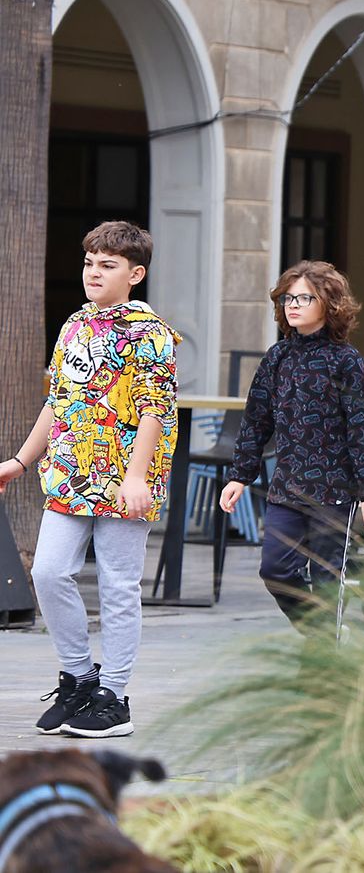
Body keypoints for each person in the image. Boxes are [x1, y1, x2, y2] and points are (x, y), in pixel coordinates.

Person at [0, 221, 179, 738]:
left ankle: (115, 697)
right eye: (89, 263)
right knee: (50, 573)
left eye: (108, 265)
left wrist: (138, 477)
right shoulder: (75, 326)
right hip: (71, 475)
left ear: (135, 273)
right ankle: (79, 678)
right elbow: (58, 403)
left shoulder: (151, 334)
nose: (93, 273)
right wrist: (20, 460)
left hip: (127, 479)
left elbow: (153, 411)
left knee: (119, 587)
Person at [221, 261, 364, 626]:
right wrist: (240, 475)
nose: (292, 305)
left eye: (304, 298)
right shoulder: (277, 358)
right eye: (288, 298)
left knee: (328, 582)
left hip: (335, 493)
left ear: (329, 303)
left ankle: (327, 664)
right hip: (287, 489)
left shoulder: (345, 361)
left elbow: (361, 427)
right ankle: (320, 638)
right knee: (275, 570)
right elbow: (256, 421)